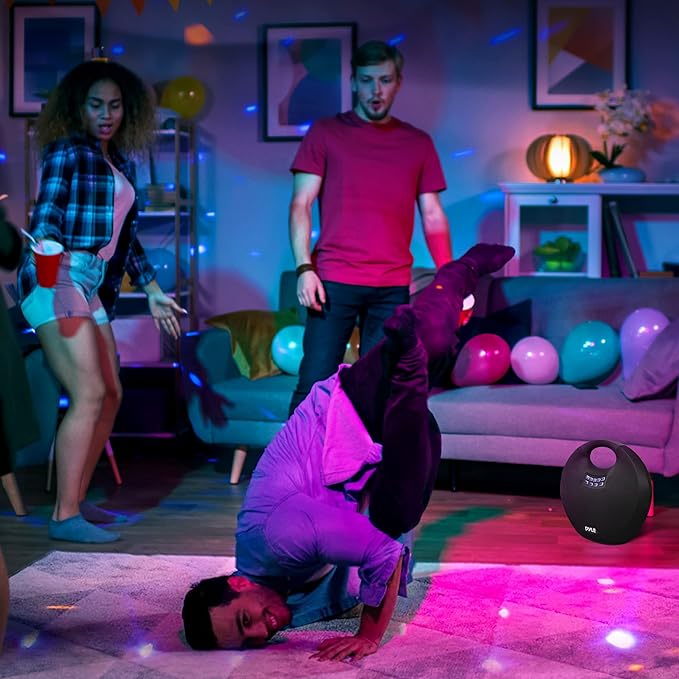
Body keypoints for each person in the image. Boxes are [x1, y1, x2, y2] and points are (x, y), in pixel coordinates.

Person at [182, 243, 515, 661]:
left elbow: (383, 552)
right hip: (383, 454)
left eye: (245, 620)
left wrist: (369, 635)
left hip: (347, 411)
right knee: (397, 506)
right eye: (250, 641)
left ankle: (462, 271)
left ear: (239, 584)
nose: (262, 631)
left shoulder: (277, 540)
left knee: (430, 339)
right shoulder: (273, 581)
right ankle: (409, 382)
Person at [16, 59, 185, 544]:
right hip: (58, 273)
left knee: (111, 393)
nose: (106, 115)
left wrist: (152, 289)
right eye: (96, 105)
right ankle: (64, 516)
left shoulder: (120, 163)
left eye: (114, 106)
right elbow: (47, 212)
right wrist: (47, 249)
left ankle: (76, 498)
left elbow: (125, 241)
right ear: (79, 107)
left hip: (91, 283)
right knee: (88, 391)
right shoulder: (66, 150)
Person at [288, 40, 453, 415]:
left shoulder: (417, 143)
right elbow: (301, 204)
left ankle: (364, 457)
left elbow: (432, 215)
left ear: (398, 83)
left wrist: (448, 276)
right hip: (332, 283)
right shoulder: (325, 133)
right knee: (314, 385)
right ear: (353, 82)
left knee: (379, 391)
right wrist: (304, 267)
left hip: (391, 287)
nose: (375, 91)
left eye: (385, 80)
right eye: (366, 80)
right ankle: (293, 456)